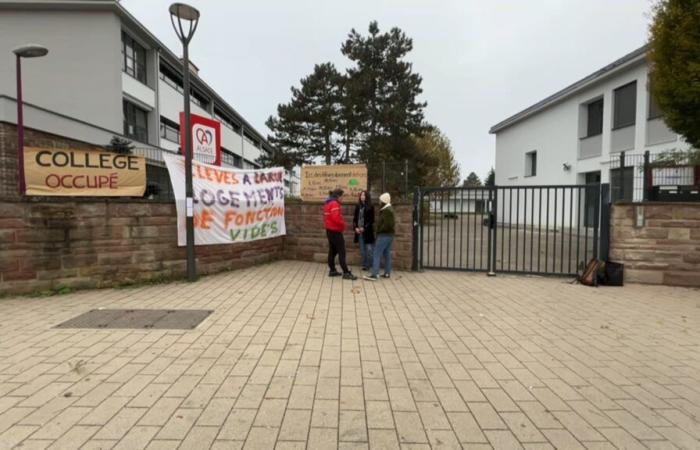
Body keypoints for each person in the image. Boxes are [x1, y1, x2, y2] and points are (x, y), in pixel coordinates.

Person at [323, 189, 357, 280]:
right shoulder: (334, 203)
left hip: (329, 230)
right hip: (335, 231)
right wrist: (343, 224)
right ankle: (346, 272)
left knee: (333, 251)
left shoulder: (328, 202)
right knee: (342, 251)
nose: (343, 198)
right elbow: (336, 218)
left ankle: (332, 270)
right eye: (342, 196)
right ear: (338, 196)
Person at [364, 193, 394, 281]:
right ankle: (387, 273)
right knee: (386, 253)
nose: (379, 202)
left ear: (384, 201)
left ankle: (374, 274)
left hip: (384, 235)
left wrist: (380, 230)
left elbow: (389, 224)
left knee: (376, 253)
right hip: (388, 235)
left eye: (380, 200)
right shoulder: (387, 209)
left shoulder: (387, 210)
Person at [352, 191, 375, 271]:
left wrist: (364, 228)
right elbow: (354, 219)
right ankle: (365, 265)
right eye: (361, 195)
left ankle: (371, 265)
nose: (362, 196)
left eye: (364, 195)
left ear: (367, 197)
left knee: (369, 250)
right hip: (359, 232)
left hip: (367, 232)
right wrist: (356, 228)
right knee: (362, 250)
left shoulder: (370, 206)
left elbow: (372, 220)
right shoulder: (358, 206)